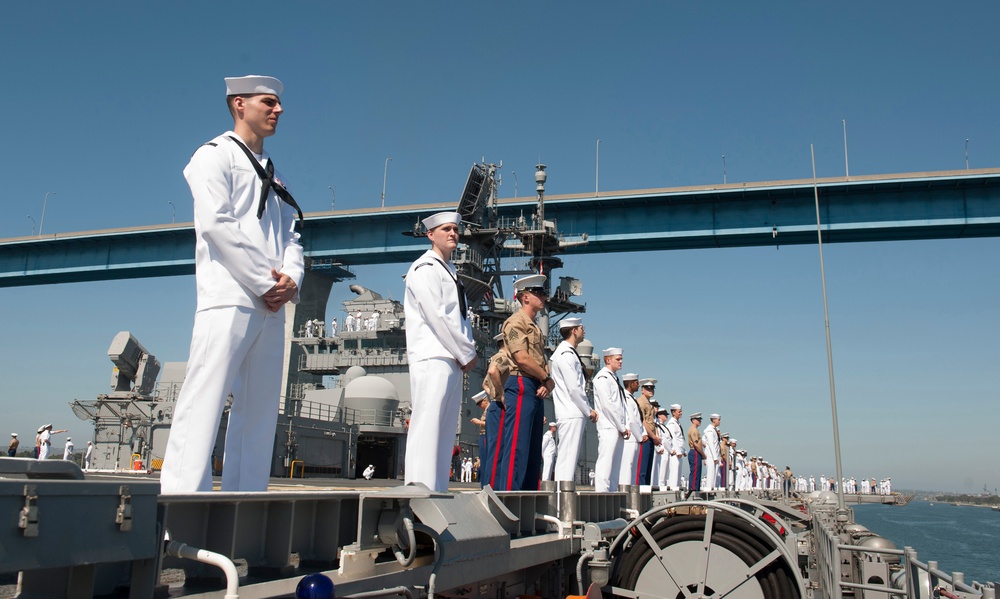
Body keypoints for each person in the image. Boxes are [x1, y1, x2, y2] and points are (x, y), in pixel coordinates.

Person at [159, 75, 305, 494]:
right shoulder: (213, 156)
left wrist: (292, 278)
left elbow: (292, 237)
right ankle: (182, 502)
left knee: (259, 412)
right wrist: (264, 281)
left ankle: (246, 502)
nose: (278, 110)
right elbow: (216, 223)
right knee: (204, 400)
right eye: (268, 102)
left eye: (278, 104)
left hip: (271, 306)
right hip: (230, 296)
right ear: (239, 104)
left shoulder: (277, 176)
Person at [403, 211, 477, 492]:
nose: (453, 233)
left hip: (451, 358)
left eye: (455, 229)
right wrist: (467, 352)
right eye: (446, 229)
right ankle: (418, 490)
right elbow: (436, 315)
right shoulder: (425, 268)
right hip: (432, 355)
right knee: (427, 424)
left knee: (444, 431)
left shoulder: (449, 271)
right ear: (430, 235)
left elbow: (459, 317)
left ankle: (437, 490)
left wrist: (463, 353)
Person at [495, 275, 552, 491]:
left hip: (535, 387)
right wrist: (546, 378)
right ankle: (509, 498)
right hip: (521, 384)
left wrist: (545, 381)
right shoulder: (516, 323)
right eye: (540, 293)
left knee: (533, 452)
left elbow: (539, 359)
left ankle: (528, 501)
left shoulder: (534, 327)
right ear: (525, 297)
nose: (544, 297)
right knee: (517, 448)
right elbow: (522, 358)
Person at [549, 317, 598, 483]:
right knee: (568, 458)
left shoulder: (566, 352)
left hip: (569, 412)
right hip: (571, 412)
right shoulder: (566, 354)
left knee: (567, 457)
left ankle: (562, 492)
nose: (584, 331)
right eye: (581, 328)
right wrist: (588, 410)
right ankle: (563, 495)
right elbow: (574, 388)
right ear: (574, 331)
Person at [593, 348, 629, 492]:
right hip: (608, 426)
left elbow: (621, 405)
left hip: (617, 427)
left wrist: (623, 426)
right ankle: (602, 493)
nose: (621, 362)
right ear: (608, 360)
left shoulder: (613, 378)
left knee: (615, 466)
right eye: (617, 359)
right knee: (606, 462)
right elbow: (608, 405)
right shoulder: (602, 378)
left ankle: (613, 493)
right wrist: (622, 427)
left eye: (621, 359)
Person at [482, 333, 511, 488]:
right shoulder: (503, 357)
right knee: (498, 451)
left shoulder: (494, 357)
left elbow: (485, 384)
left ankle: (490, 486)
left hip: (495, 406)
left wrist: (493, 395)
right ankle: (493, 489)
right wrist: (502, 395)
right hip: (499, 407)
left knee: (495, 450)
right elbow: (493, 372)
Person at [619, 373, 645, 488]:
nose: (638, 385)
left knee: (633, 468)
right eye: (636, 382)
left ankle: (631, 491)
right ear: (630, 383)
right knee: (627, 467)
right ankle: (625, 491)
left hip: (635, 437)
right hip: (631, 437)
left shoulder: (632, 398)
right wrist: (640, 437)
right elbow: (632, 420)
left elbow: (638, 419)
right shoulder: (626, 398)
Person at [636, 378, 660, 485]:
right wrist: (654, 437)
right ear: (642, 390)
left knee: (648, 468)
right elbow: (643, 422)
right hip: (645, 437)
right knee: (642, 468)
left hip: (651, 438)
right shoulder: (641, 402)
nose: (651, 391)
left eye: (652, 388)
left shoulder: (649, 404)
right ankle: (641, 490)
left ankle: (646, 489)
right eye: (648, 388)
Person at [702, 414, 721, 492]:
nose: (719, 421)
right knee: (711, 474)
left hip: (715, 455)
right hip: (711, 456)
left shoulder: (714, 430)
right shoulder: (709, 430)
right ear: (714, 420)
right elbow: (711, 443)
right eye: (718, 420)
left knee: (714, 475)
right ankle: (709, 490)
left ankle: (712, 489)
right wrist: (715, 457)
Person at [687, 413, 704, 492]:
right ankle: (693, 490)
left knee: (697, 472)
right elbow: (696, 444)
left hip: (696, 452)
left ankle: (695, 489)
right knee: (695, 472)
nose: (699, 421)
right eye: (698, 420)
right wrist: (703, 454)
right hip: (695, 452)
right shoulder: (694, 430)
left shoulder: (695, 429)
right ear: (693, 420)